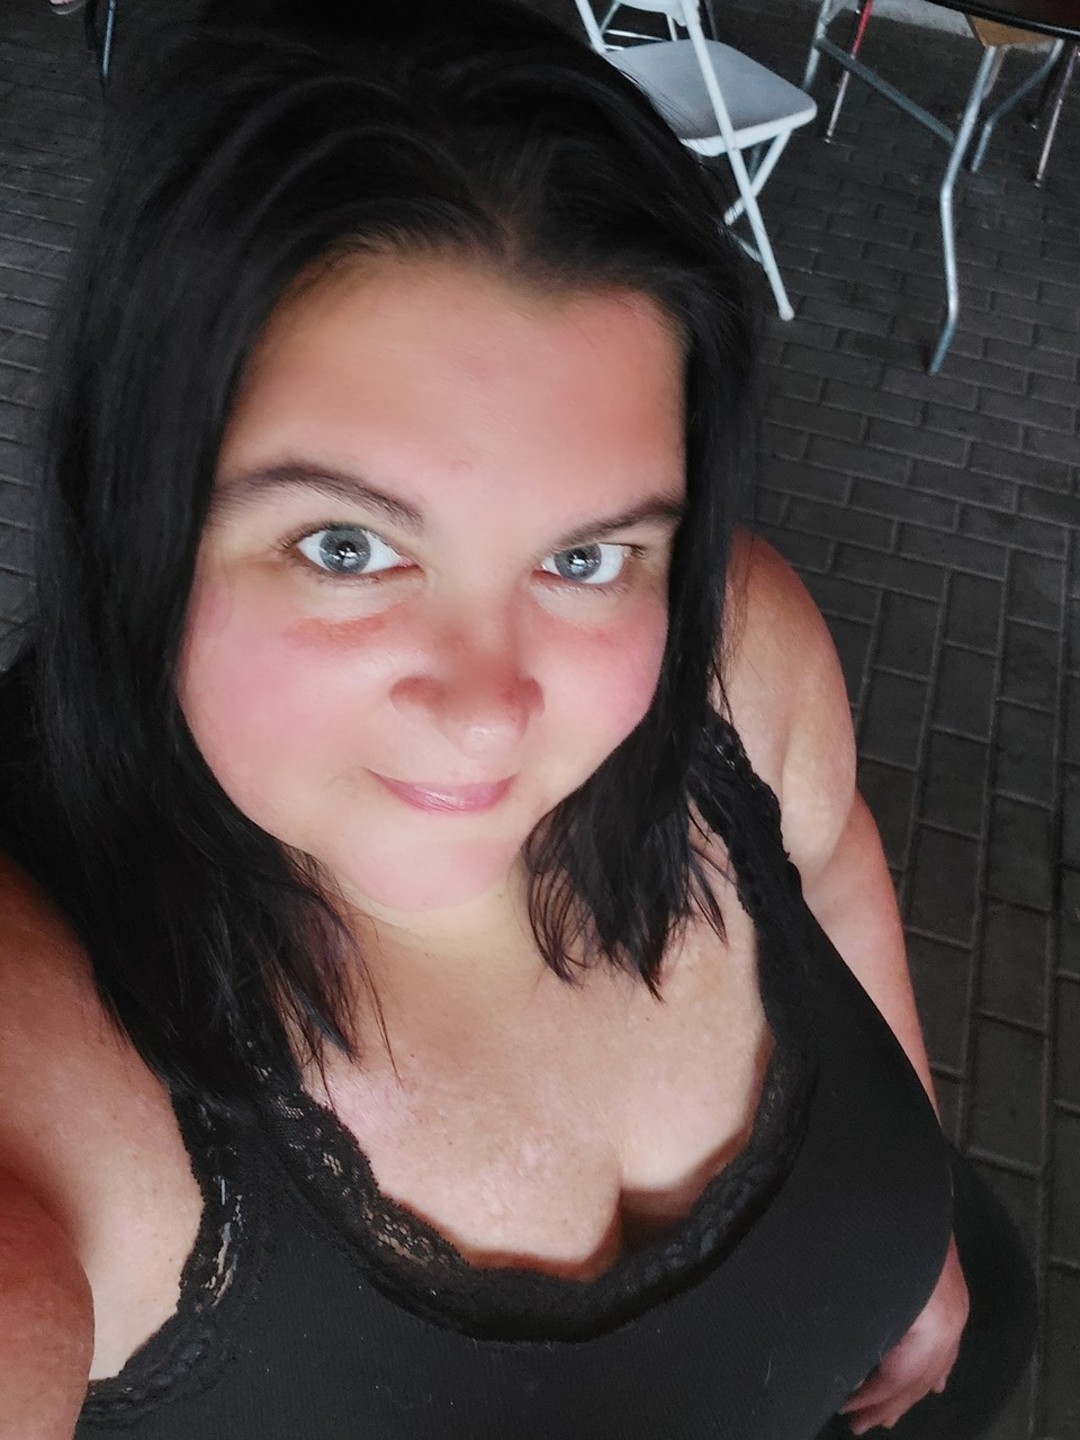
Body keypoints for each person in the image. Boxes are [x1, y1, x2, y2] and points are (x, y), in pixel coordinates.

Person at [0, 2, 1034, 1436]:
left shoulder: (733, 644)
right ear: (139, 518)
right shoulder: (43, 1053)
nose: (489, 712)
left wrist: (913, 1244)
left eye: (586, 558)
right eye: (348, 548)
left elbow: (832, 860)